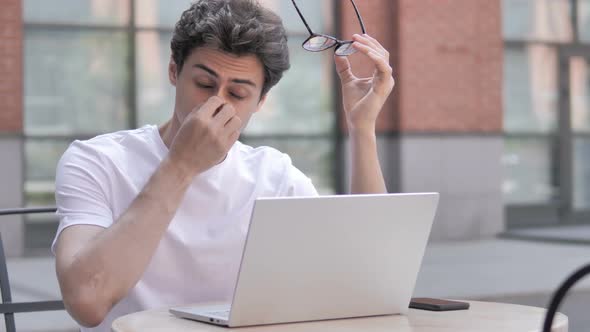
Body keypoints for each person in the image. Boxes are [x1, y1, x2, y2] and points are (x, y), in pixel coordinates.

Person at [52, 0, 394, 331]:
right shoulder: (97, 161)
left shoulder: (275, 177)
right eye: (203, 84)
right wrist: (182, 164)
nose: (217, 102)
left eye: (239, 94)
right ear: (174, 71)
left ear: (260, 101)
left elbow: (364, 282)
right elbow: (87, 302)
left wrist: (361, 129)